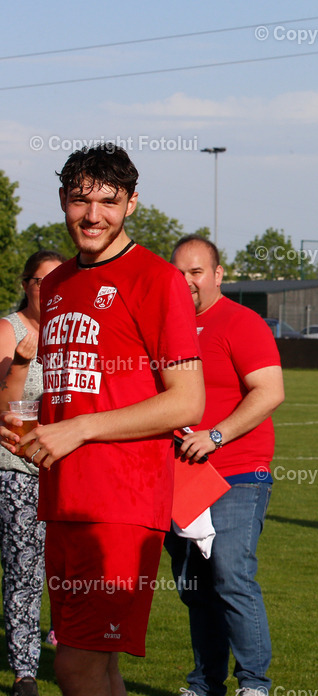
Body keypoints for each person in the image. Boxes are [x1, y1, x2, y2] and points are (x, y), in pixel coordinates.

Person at [1, 144, 205, 696]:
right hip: (63, 498)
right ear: (63, 202)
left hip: (119, 504)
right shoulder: (60, 284)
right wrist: (35, 429)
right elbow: (76, 390)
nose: (93, 215)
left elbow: (187, 401)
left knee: (75, 667)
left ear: (132, 204)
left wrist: (80, 429)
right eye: (79, 200)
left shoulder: (156, 279)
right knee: (98, 668)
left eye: (108, 202)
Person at [165, 235, 284, 696]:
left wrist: (215, 436)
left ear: (217, 275)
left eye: (196, 272)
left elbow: (270, 392)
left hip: (238, 472)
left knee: (231, 575)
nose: (187, 281)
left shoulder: (241, 322)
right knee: (195, 587)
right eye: (179, 272)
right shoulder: (165, 326)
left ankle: (254, 685)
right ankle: (205, 684)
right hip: (181, 476)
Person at [0, 250, 65, 696]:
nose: (49, 288)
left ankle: (62, 640)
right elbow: (6, 408)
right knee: (23, 569)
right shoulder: (12, 330)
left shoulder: (69, 333)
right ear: (27, 285)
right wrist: (23, 363)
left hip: (63, 469)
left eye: (58, 280)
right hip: (17, 467)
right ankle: (26, 670)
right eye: (41, 281)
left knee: (59, 566)